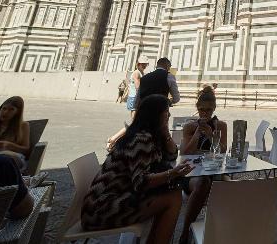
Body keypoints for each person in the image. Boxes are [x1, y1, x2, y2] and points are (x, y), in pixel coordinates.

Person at [81, 95, 193, 243]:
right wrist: (171, 174)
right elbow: (141, 182)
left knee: (171, 193)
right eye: (166, 112)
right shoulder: (141, 139)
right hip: (101, 210)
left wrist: (165, 132)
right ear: (156, 115)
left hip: (107, 202)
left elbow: (172, 155)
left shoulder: (147, 135)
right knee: (172, 198)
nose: (169, 115)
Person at [178, 86, 228, 243]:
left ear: (214, 109)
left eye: (208, 110)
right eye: (201, 110)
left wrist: (212, 135)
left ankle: (225, 231)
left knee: (232, 186)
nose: (205, 113)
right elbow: (185, 153)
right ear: (197, 109)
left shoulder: (221, 126)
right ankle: (185, 232)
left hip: (214, 170)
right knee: (203, 183)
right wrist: (198, 133)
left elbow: (223, 151)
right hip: (193, 172)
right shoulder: (189, 127)